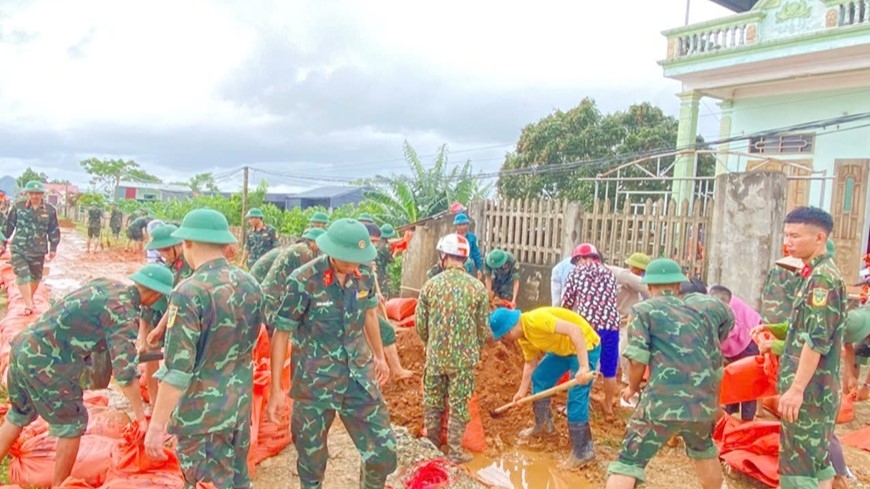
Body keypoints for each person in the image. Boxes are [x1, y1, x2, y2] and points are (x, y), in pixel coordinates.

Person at [0, 264, 173, 487]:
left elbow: (89, 327)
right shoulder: (123, 312)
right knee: (73, 423)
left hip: (24, 347)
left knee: (18, 413)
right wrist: (141, 417)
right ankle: (61, 484)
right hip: (48, 361)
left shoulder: (106, 284)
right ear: (156, 293)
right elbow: (126, 375)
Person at [267, 218, 397, 489]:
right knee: (311, 461)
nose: (352, 266)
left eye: (357, 259)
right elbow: (281, 333)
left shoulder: (365, 276)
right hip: (315, 384)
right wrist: (276, 389)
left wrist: (379, 356)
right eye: (347, 259)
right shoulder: (303, 280)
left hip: (357, 376)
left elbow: (370, 314)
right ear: (332, 251)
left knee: (383, 451)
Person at [145, 209, 264, 488]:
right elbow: (254, 341)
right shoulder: (251, 284)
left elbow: (176, 371)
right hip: (237, 409)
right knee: (238, 481)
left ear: (187, 243)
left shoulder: (189, 292)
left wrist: (156, 426)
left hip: (201, 420)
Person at [605, 258, 733, 489]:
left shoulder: (644, 310)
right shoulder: (701, 313)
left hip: (662, 402)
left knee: (628, 461)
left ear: (650, 287)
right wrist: (713, 403)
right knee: (704, 450)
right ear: (677, 286)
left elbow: (637, 358)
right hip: (701, 404)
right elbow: (716, 366)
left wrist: (632, 387)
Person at [754, 207, 846, 489]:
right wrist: (775, 331)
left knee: (797, 471)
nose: (788, 242)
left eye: (795, 236)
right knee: (818, 463)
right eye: (786, 235)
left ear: (819, 237)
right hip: (817, 390)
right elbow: (805, 326)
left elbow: (817, 341)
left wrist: (796, 389)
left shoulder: (822, 280)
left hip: (810, 391)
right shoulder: (813, 273)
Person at [489, 305, 600, 466]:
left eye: (502, 337)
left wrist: (583, 367)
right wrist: (521, 393)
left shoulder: (535, 320)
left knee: (576, 395)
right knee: (541, 377)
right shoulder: (524, 337)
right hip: (563, 350)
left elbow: (575, 330)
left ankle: (583, 452)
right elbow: (530, 364)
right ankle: (544, 426)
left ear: (509, 331)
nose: (504, 341)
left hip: (585, 345)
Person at [416, 233, 489, 463]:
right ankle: (456, 452)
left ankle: (432, 445)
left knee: (433, 400)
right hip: (464, 360)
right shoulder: (478, 288)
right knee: (458, 404)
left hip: (436, 357)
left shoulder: (430, 286)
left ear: (444, 256)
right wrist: (474, 349)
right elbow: (482, 328)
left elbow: (420, 325)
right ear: (464, 258)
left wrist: (431, 344)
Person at [561, 243, 621, 420]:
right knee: (610, 371)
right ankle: (608, 407)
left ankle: (578, 408)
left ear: (580, 259)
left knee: (584, 367)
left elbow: (566, 304)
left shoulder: (576, 273)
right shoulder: (609, 273)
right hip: (612, 326)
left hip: (589, 327)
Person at [139, 224, 195, 404]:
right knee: (149, 352)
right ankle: (155, 401)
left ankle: (175, 404)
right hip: (163, 317)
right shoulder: (166, 267)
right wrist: (143, 335)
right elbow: (149, 304)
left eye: (165, 250)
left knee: (176, 365)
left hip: (183, 320)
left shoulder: (188, 268)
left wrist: (160, 329)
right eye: (160, 252)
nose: (162, 255)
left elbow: (177, 302)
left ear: (178, 245)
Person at [362, 223, 413, 381]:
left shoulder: (366, 256)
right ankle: (396, 370)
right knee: (386, 331)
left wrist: (377, 293)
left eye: (376, 241)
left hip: (365, 302)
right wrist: (374, 297)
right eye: (373, 241)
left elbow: (373, 277)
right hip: (358, 309)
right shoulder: (361, 258)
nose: (375, 245)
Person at [3, 180, 61, 316]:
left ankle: (29, 299)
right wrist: (2, 243)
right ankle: (29, 304)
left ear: (42, 194)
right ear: (27, 194)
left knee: (35, 277)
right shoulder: (18, 207)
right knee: (22, 274)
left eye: (38, 193)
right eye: (32, 193)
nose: (34, 196)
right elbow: (8, 226)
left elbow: (54, 230)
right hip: (19, 248)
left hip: (38, 250)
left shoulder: (50, 210)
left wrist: (53, 248)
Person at [709, 285, 761, 422]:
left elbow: (731, 331)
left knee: (748, 381)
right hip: (733, 345)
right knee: (732, 376)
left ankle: (747, 421)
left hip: (749, 339)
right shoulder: (711, 300)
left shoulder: (728, 310)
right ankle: (730, 414)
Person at [261, 227, 323, 336]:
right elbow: (314, 278)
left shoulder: (297, 248)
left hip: (272, 296)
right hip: (274, 300)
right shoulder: (304, 252)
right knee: (277, 333)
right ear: (313, 242)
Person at [606, 252, 651, 384]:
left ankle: (626, 378)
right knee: (619, 349)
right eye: (642, 270)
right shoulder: (626, 276)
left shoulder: (632, 280)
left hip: (627, 319)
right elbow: (649, 289)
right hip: (615, 318)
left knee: (624, 348)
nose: (642, 273)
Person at [376, 223, 397, 298]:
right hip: (381, 272)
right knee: (383, 293)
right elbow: (391, 260)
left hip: (373, 270)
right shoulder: (385, 247)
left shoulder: (377, 241)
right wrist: (396, 252)